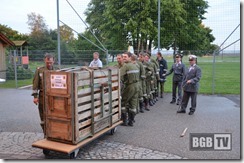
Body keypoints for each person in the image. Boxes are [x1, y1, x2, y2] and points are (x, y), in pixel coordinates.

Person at [32, 53, 58, 134]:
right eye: (47, 62)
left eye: (51, 62)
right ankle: (45, 133)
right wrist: (35, 97)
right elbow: (35, 84)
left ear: (53, 61)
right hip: (43, 96)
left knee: (54, 114)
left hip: (54, 97)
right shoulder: (40, 70)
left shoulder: (57, 70)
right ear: (45, 60)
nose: (49, 64)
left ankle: (54, 132)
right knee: (43, 114)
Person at [120, 52, 140, 126]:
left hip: (130, 86)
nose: (124, 58)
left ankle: (124, 120)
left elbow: (119, 75)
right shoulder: (135, 65)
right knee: (133, 104)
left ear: (129, 57)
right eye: (123, 57)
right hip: (137, 85)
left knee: (123, 102)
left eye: (125, 57)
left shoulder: (126, 66)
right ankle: (131, 121)